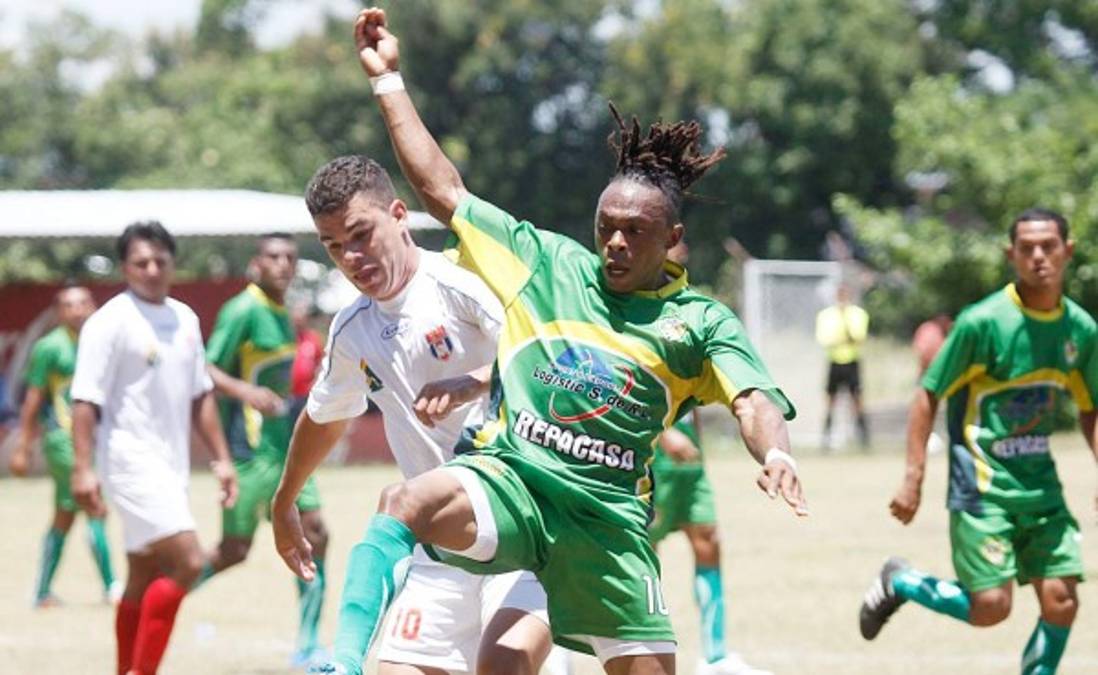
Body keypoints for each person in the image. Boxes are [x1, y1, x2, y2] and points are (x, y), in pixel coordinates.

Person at [278, 9, 807, 675]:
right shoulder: (544, 263)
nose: (614, 241)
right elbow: (444, 189)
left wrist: (777, 452)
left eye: (634, 231)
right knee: (403, 501)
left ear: (671, 239)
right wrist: (389, 82)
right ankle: (345, 664)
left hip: (606, 523)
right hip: (514, 485)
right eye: (605, 224)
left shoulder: (699, 322)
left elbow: (752, 398)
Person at [271, 154, 559, 675]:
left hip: (527, 527)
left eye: (361, 235)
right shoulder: (353, 329)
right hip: (442, 540)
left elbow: (548, 365)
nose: (351, 257)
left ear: (399, 215)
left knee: (502, 667)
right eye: (334, 246)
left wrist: (472, 382)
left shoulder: (463, 287)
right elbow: (324, 416)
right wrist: (284, 500)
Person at [859, 208, 1098, 675]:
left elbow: (1092, 407)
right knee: (991, 606)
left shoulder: (1080, 330)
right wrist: (914, 478)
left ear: (1067, 251)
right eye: (1026, 248)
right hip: (981, 490)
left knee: (1062, 599)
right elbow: (928, 393)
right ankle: (901, 581)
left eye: (1048, 245)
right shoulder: (982, 323)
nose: (1038, 257)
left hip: (1041, 489)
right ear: (1011, 255)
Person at [70, 221, 238, 675]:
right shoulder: (109, 322)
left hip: (171, 466)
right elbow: (85, 399)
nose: (151, 269)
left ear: (172, 263)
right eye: (140, 262)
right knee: (188, 563)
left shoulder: (184, 318)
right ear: (125, 268)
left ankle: (124, 668)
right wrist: (82, 469)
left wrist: (222, 460)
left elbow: (200, 394)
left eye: (159, 261)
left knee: (143, 575)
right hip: (128, 462)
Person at [196, 233, 331, 666]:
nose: (283, 264)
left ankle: (308, 644)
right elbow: (204, 365)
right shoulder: (244, 309)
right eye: (274, 256)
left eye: (290, 257)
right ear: (257, 262)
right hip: (249, 452)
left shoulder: (281, 313)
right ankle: (161, 594)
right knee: (234, 551)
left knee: (316, 534)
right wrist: (246, 392)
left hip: (284, 451)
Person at [8, 285, 119, 607]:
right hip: (64, 441)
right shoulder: (50, 347)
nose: (79, 310)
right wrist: (23, 447)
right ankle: (112, 587)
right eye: (70, 305)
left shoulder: (102, 344)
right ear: (59, 313)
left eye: (84, 303)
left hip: (96, 440)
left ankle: (42, 592)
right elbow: (33, 399)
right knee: (94, 506)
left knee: (64, 515)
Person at [650, 411, 770, 675]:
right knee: (644, 556)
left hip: (691, 470)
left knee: (709, 540)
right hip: (653, 465)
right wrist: (664, 434)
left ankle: (714, 657)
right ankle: (640, 648)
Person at [815, 284, 870, 448]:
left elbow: (858, 337)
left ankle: (864, 439)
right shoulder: (826, 315)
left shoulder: (858, 314)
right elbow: (825, 339)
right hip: (834, 362)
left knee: (857, 401)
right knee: (831, 401)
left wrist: (845, 323)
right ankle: (826, 438)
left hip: (852, 361)